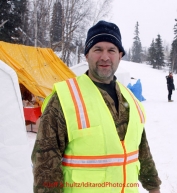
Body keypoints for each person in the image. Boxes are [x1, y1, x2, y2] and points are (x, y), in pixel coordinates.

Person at [31, 21, 161, 193]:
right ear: (87, 55)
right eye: (98, 49)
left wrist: (153, 186)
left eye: (111, 50)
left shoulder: (130, 99)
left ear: (120, 55)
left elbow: (142, 150)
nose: (105, 57)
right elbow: (45, 165)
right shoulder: (64, 98)